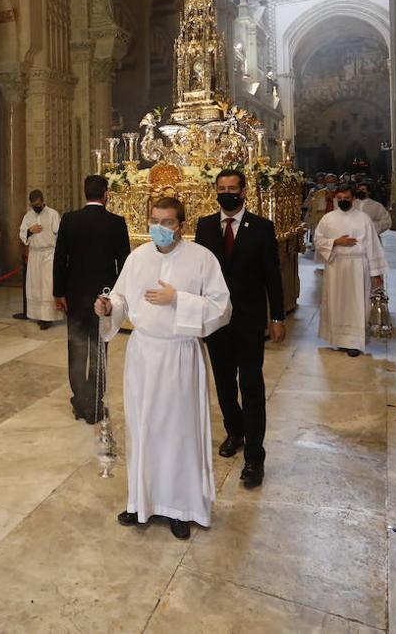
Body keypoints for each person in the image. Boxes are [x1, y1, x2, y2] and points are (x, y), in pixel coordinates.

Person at [95, 197, 231, 540]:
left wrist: (179, 300)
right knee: (143, 428)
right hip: (144, 355)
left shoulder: (202, 259)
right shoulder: (138, 257)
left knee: (178, 432)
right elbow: (124, 298)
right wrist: (109, 306)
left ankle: (180, 508)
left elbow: (222, 308)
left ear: (181, 225)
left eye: (167, 222)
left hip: (179, 355)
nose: (160, 227)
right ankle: (141, 502)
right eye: (155, 220)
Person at [194, 168, 286, 488]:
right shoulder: (205, 226)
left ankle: (255, 457)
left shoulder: (261, 227)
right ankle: (234, 431)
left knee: (251, 384)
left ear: (243, 191)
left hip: (248, 320)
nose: (227, 192)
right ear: (215, 191)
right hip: (216, 321)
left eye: (232, 188)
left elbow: (272, 276)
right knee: (223, 381)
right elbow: (197, 275)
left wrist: (277, 317)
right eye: (221, 188)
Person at [52, 175, 131, 424]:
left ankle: (79, 400)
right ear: (105, 194)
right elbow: (125, 264)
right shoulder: (116, 223)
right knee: (99, 348)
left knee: (76, 347)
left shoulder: (70, 219)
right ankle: (94, 404)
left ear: (85, 193)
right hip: (103, 299)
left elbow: (60, 259)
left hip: (75, 296)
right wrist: (118, 298)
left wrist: (59, 293)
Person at [313, 185, 388, 356]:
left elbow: (373, 246)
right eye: (339, 198)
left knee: (356, 303)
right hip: (336, 266)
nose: (342, 201)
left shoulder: (364, 219)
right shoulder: (328, 218)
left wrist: (376, 273)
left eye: (346, 198)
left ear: (353, 199)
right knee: (336, 302)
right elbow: (318, 240)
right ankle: (338, 339)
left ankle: (354, 342)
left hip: (358, 267)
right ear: (335, 199)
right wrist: (336, 242)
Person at [18, 190, 61, 330]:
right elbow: (22, 233)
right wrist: (30, 231)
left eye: (37, 204)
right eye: (33, 204)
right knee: (35, 285)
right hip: (35, 254)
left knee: (47, 286)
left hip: (49, 254)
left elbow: (59, 233)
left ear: (43, 200)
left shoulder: (52, 214)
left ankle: (47, 317)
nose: (35, 207)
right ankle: (37, 314)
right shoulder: (28, 215)